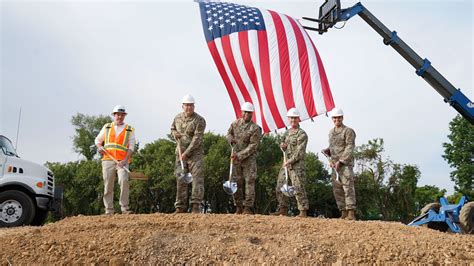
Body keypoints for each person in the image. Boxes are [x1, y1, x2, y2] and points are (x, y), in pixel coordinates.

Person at [95, 105, 136, 215]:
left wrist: (125, 160)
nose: (120, 116)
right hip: (108, 159)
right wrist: (99, 147)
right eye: (118, 114)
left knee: (123, 181)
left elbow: (131, 147)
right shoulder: (107, 127)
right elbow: (98, 140)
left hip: (123, 161)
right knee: (108, 184)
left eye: (122, 115)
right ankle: (109, 210)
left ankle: (124, 208)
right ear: (114, 115)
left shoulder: (129, 129)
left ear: (124, 116)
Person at [171, 94, 206, 214]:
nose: (188, 108)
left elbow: (197, 139)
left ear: (194, 106)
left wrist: (186, 153)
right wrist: (174, 134)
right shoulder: (177, 118)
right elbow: (172, 129)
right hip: (180, 154)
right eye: (186, 105)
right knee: (180, 179)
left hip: (195, 155)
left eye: (191, 105)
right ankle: (180, 207)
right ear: (182, 106)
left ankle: (195, 206)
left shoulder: (199, 120)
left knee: (197, 180)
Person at [226, 102, 262, 215]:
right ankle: (238, 206)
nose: (247, 114)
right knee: (236, 182)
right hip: (235, 159)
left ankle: (247, 207)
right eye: (245, 112)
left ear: (252, 114)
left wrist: (240, 155)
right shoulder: (235, 124)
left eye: (249, 112)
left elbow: (253, 146)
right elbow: (229, 133)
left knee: (249, 182)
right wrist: (230, 139)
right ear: (241, 112)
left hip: (249, 160)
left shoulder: (255, 128)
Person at [273, 107, 309, 217]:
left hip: (296, 165)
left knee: (298, 187)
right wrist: (282, 147)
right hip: (286, 164)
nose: (293, 120)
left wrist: (290, 161)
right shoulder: (287, 133)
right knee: (280, 185)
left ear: (299, 119)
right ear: (288, 119)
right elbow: (283, 145)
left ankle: (303, 211)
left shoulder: (302, 134)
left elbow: (299, 152)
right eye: (291, 118)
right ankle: (283, 209)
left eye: (295, 118)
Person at [322, 107, 357, 220]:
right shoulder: (331, 132)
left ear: (342, 118)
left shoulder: (348, 131)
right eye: (335, 118)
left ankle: (351, 212)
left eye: (338, 117)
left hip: (345, 164)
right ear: (332, 119)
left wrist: (341, 161)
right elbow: (333, 147)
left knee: (348, 187)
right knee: (337, 189)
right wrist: (327, 151)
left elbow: (349, 147)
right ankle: (343, 212)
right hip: (334, 165)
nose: (337, 119)